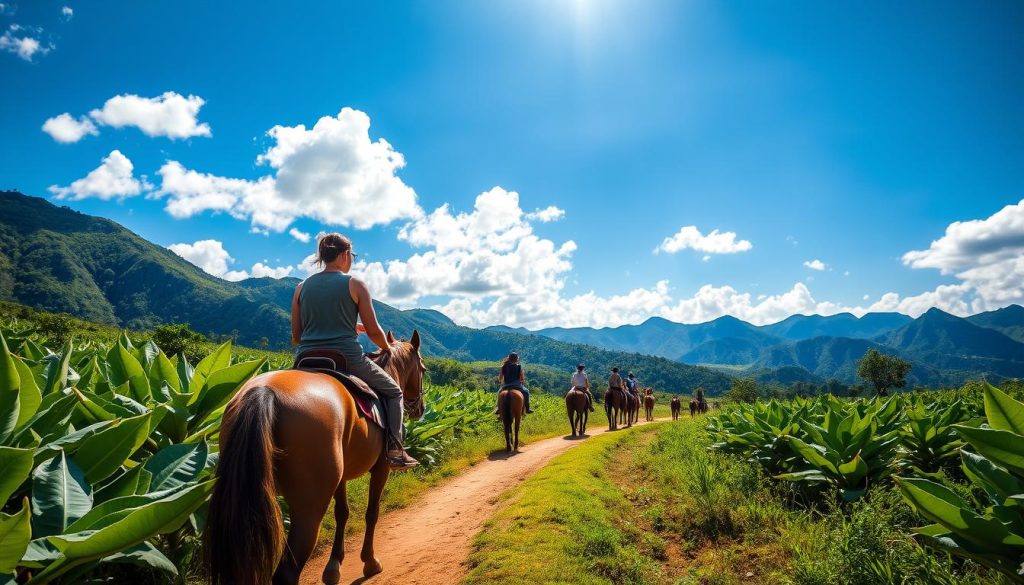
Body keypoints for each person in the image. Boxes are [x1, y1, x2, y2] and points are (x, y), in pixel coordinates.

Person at [291, 233, 418, 470]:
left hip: (304, 359)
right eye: (353, 255)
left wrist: (344, 326)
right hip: (346, 358)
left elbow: (297, 336)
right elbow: (374, 331)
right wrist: (386, 347)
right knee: (393, 393)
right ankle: (395, 450)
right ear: (345, 255)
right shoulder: (355, 284)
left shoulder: (300, 288)